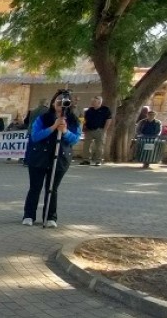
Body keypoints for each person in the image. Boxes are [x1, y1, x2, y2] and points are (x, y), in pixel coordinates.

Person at [22, 90, 81, 228]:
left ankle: (50, 217)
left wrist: (65, 131)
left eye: (64, 102)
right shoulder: (43, 118)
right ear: (53, 102)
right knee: (35, 187)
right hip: (39, 157)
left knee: (52, 189)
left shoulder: (73, 120)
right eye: (58, 101)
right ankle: (29, 215)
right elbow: (35, 136)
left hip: (60, 158)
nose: (61, 105)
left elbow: (75, 140)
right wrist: (53, 127)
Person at [80, 95, 113, 166]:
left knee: (99, 146)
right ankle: (86, 160)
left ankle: (98, 160)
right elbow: (85, 120)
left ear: (99, 102)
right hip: (89, 130)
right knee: (86, 145)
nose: (93, 102)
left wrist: (105, 130)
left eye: (95, 101)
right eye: (93, 101)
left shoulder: (105, 109)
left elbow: (109, 120)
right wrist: (84, 127)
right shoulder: (89, 110)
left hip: (99, 129)